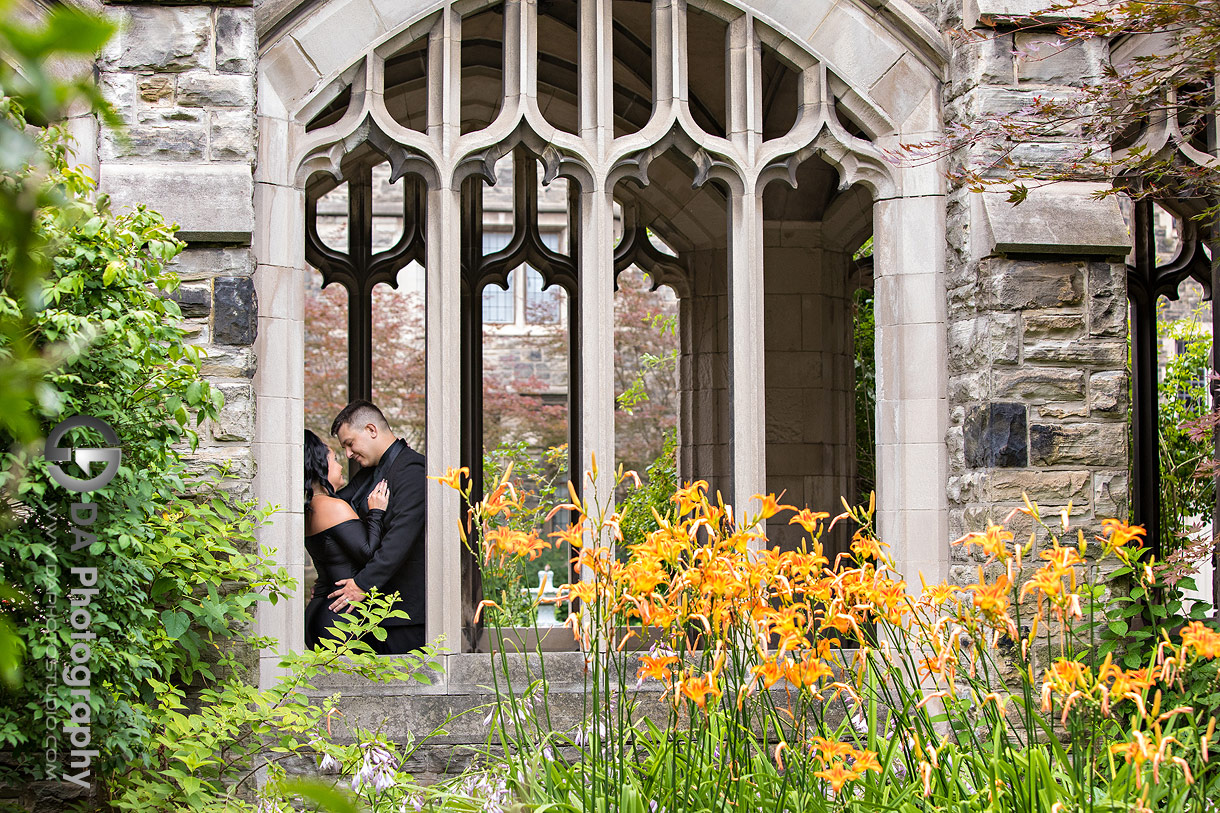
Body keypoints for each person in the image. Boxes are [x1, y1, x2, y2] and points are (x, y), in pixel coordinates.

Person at [327, 400, 427, 654]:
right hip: (376, 614)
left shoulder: (412, 470)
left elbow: (399, 539)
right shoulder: (370, 471)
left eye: (350, 443)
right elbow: (336, 504)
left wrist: (362, 584)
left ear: (371, 430)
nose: (348, 454)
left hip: (404, 616)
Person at [302, 429, 390, 649]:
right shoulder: (332, 507)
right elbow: (369, 554)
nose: (341, 466)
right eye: (334, 459)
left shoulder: (311, 508)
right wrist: (376, 513)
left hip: (322, 610)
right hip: (340, 617)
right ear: (319, 465)